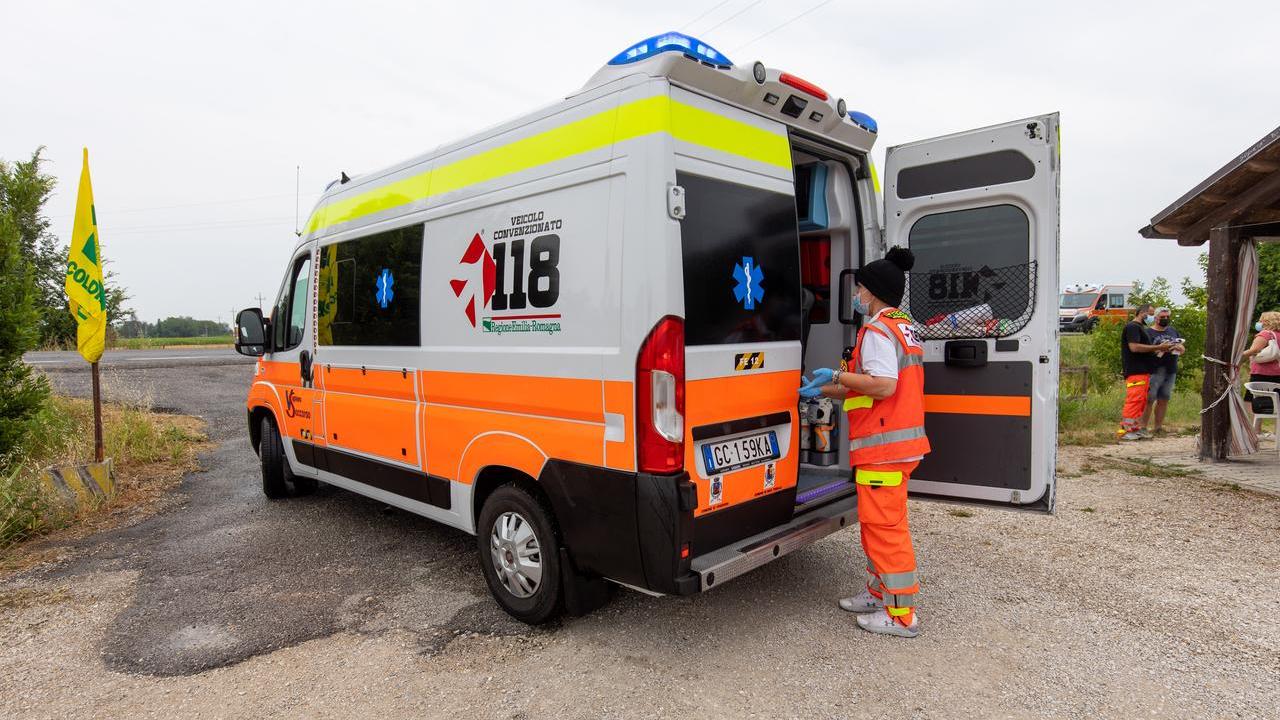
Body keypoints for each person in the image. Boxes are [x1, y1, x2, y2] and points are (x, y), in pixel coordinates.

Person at [800, 247, 929, 638]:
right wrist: (825, 388)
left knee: (885, 528)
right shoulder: (902, 325)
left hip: (885, 447)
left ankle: (901, 614)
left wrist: (838, 377)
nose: (855, 294)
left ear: (871, 292)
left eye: (858, 288)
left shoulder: (876, 331)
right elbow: (868, 388)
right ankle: (879, 593)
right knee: (877, 524)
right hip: (895, 445)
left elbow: (884, 385)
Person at [1118, 303, 1175, 441]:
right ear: (1142, 313)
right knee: (1134, 400)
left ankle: (1135, 429)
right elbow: (1134, 347)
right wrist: (1157, 346)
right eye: (1150, 314)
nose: (1152, 317)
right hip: (1135, 370)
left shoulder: (1140, 328)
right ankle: (1126, 430)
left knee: (1141, 401)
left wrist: (1161, 349)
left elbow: (1147, 350)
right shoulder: (1132, 327)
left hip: (1144, 371)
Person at [1141, 307, 1186, 435]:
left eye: (1167, 317)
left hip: (1170, 369)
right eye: (1163, 317)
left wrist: (1179, 347)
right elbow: (1144, 350)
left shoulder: (1172, 330)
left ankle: (1158, 427)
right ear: (1155, 318)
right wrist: (1160, 348)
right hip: (1154, 369)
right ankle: (1143, 427)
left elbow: (1182, 348)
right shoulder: (1148, 332)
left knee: (1164, 399)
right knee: (1149, 399)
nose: (1165, 319)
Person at [1241, 311, 1280, 427]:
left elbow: (1254, 350)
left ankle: (1254, 429)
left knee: (1252, 402)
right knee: (1276, 404)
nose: (1259, 323)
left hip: (1261, 374)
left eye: (1261, 320)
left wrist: (1237, 356)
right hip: (1278, 374)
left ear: (1266, 321)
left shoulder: (1265, 334)